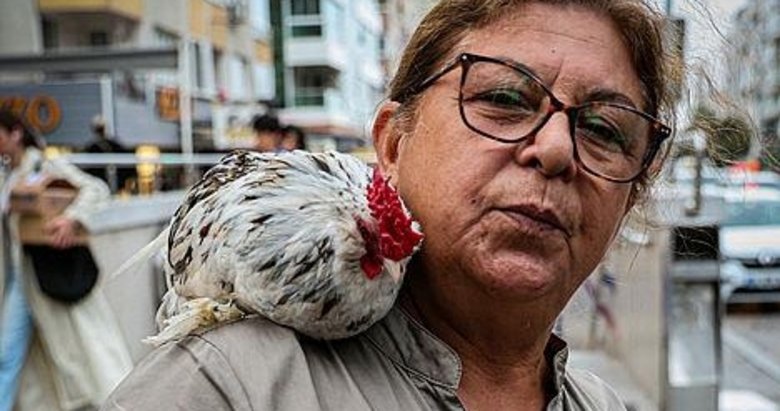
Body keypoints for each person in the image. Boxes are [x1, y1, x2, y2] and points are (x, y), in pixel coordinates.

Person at [102, 0, 676, 409]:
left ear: (628, 200)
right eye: (503, 98)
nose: (556, 149)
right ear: (394, 143)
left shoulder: (601, 403)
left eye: (604, 128)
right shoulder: (225, 387)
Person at [0, 110, 133, 411]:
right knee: (10, 354)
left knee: (82, 352)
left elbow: (95, 189)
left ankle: (116, 401)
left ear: (15, 134)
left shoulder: (45, 165)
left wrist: (72, 220)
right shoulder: (7, 174)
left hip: (49, 273)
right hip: (20, 278)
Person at [82, 115, 134, 192]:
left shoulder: (113, 145)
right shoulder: (92, 147)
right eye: (99, 128)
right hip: (100, 184)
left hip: (115, 182)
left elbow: (127, 161)